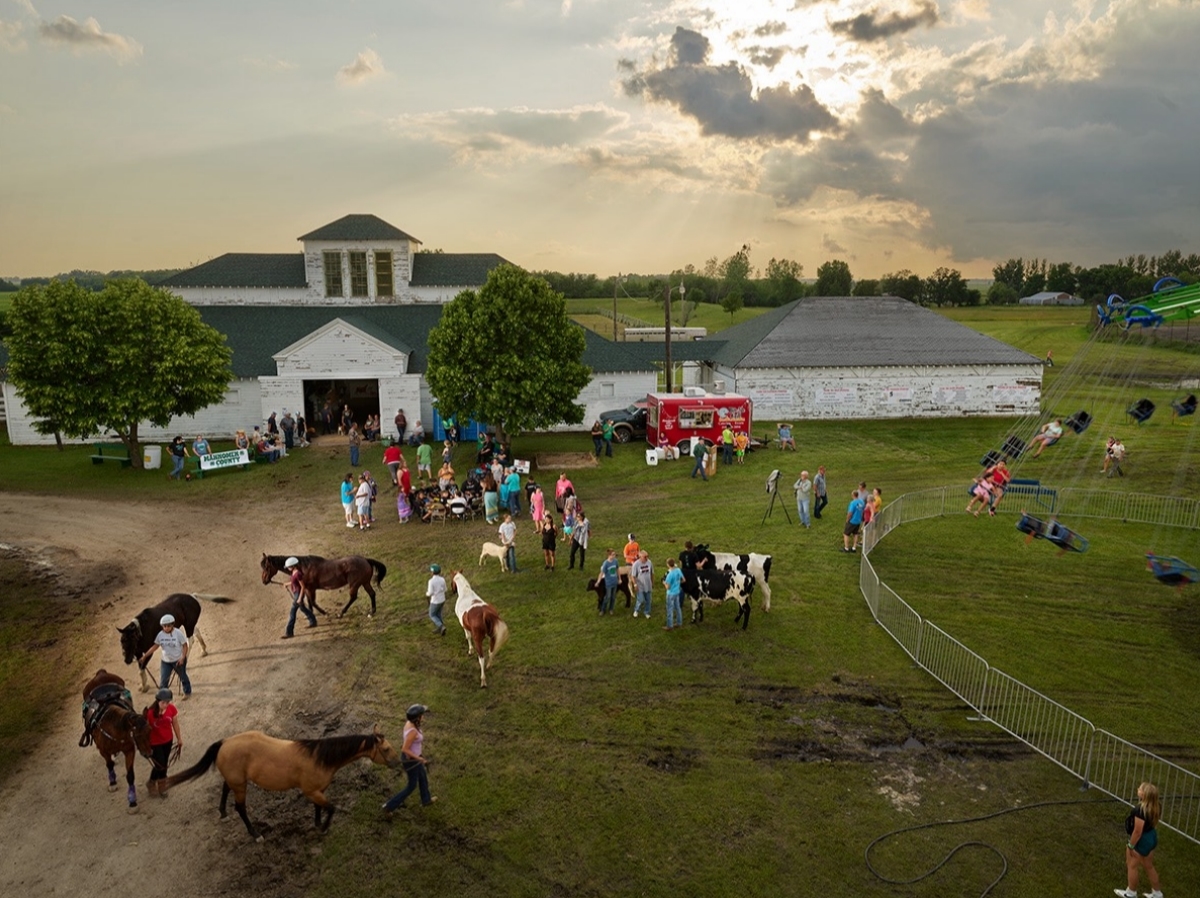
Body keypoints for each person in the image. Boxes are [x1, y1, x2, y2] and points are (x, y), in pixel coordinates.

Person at [382, 704, 436, 814]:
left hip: (414, 757)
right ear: (417, 718)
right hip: (411, 760)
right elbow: (405, 749)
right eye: (422, 715)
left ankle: (426, 800)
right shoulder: (413, 732)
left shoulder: (409, 724)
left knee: (422, 776)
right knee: (411, 786)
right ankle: (389, 806)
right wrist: (419, 759)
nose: (423, 717)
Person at [1116, 781, 1163, 898]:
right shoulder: (1156, 806)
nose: (1138, 789)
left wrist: (1131, 845)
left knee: (1132, 865)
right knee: (1149, 865)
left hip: (1141, 839)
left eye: (1140, 789)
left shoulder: (1140, 810)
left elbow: (1137, 831)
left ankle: (1131, 892)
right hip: (1151, 837)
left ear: (1144, 795)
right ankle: (1157, 893)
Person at [139, 614, 191, 699]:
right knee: (163, 680)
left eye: (168, 626)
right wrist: (145, 656)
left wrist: (183, 657)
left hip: (178, 660)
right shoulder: (160, 635)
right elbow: (155, 646)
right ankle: (163, 697)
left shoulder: (178, 633)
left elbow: (185, 645)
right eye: (164, 626)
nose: (166, 628)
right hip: (166, 661)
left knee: (183, 677)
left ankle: (187, 691)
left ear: (172, 625)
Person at [145, 687, 181, 796]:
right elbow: (145, 730)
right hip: (155, 743)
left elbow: (175, 723)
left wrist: (179, 738)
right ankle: (153, 782)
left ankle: (161, 783)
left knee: (164, 763)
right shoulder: (150, 713)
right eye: (163, 702)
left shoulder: (171, 709)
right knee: (159, 764)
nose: (166, 704)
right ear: (158, 701)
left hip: (168, 741)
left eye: (167, 702)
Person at [281, 556, 317, 638]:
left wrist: (300, 598)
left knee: (292, 613)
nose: (288, 568)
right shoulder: (294, 572)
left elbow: (303, 587)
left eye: (289, 567)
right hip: (296, 593)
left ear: (293, 566)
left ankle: (289, 632)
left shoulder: (298, 574)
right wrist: (286, 584)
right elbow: (294, 582)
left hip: (298, 594)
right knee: (302, 608)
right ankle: (313, 621)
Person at [630, 550, 653, 619]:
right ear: (640, 557)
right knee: (641, 599)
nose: (647, 558)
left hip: (648, 584)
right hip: (640, 585)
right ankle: (636, 610)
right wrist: (635, 584)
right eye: (645, 557)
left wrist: (652, 582)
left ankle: (647, 612)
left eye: (647, 556)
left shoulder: (649, 562)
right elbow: (633, 576)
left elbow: (652, 573)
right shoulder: (636, 564)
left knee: (648, 599)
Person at [662, 558, 683, 631]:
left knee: (670, 609)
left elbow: (668, 587)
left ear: (668, 565)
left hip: (670, 593)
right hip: (677, 591)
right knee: (678, 607)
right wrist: (678, 583)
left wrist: (664, 583)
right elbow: (683, 580)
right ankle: (679, 622)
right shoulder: (678, 570)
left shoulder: (669, 575)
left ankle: (670, 626)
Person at [426, 564, 447, 636]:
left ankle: (441, 626)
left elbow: (430, 592)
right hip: (442, 599)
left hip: (435, 601)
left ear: (432, 572)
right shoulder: (442, 579)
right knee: (438, 614)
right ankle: (440, 628)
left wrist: (427, 594)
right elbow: (445, 589)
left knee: (432, 615)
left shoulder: (431, 581)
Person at [597, 549, 620, 615]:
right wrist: (598, 581)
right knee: (608, 597)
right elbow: (601, 573)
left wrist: (619, 579)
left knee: (613, 597)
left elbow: (617, 569)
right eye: (613, 555)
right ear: (609, 555)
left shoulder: (615, 561)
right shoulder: (606, 563)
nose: (614, 556)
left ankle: (611, 609)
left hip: (615, 582)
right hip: (609, 583)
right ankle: (603, 609)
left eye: (614, 554)